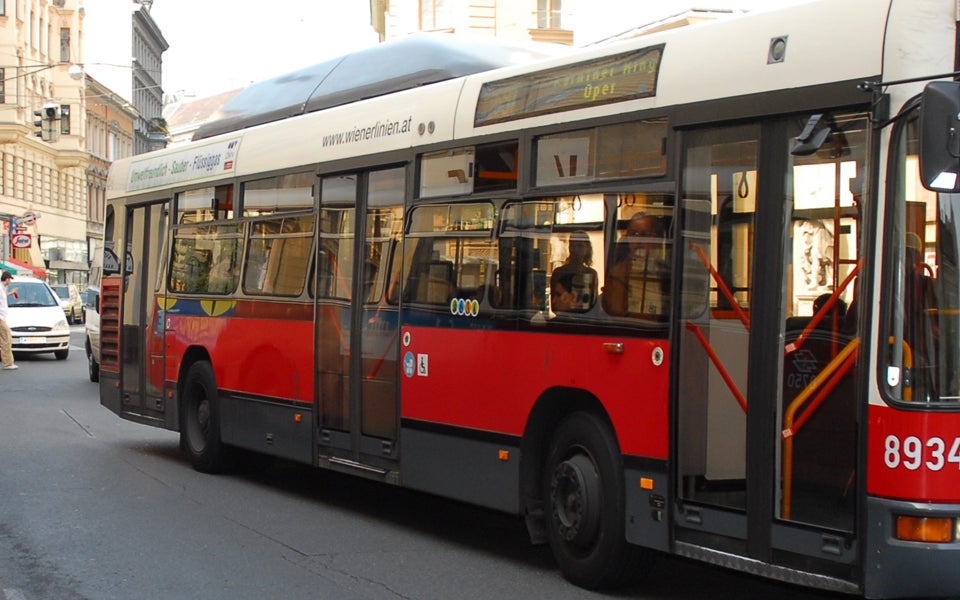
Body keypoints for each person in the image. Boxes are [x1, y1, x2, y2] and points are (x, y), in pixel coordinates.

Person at [602, 213, 670, 317]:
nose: (638, 240)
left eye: (645, 234)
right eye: (633, 234)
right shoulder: (619, 274)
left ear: (659, 239)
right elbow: (616, 315)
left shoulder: (667, 272)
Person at [551, 231, 598, 309]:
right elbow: (555, 304)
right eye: (572, 245)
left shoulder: (591, 273)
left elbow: (593, 303)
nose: (575, 250)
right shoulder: (559, 273)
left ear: (587, 248)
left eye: (580, 246)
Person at [0, 271, 18, 370]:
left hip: (2, 318)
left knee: (5, 339)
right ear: (7, 279)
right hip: (0, 318)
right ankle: (8, 363)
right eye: (10, 279)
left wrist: (11, 293)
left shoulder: (2, 288)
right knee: (6, 339)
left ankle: (8, 362)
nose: (10, 281)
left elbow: (3, 298)